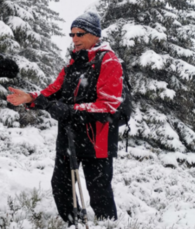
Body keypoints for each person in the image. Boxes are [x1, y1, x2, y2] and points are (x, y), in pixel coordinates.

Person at [7, 11, 123, 226]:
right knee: (61, 186)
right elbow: (52, 92)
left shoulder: (109, 62)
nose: (74, 38)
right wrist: (31, 98)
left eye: (80, 33)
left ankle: (107, 225)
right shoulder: (71, 66)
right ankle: (74, 223)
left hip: (98, 140)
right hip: (69, 138)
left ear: (95, 35)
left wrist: (71, 111)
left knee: (99, 192)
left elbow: (108, 105)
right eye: (72, 34)